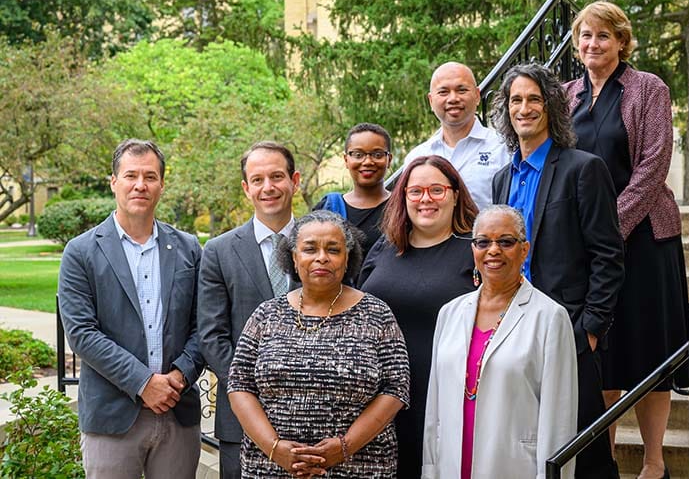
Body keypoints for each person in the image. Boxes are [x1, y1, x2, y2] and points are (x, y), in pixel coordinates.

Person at [565, 0, 689, 479]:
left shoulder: (647, 88)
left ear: (621, 40)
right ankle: (606, 459)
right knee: (601, 354)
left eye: (602, 36)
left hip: (643, 240)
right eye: (585, 36)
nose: (592, 44)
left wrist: (606, 228)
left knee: (647, 349)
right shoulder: (567, 93)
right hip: (587, 246)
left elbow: (653, 165)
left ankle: (654, 462)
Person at [491, 63, 625, 479]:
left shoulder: (583, 169)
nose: (525, 108)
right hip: (509, 327)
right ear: (506, 110)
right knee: (520, 440)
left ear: (551, 106)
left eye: (534, 99)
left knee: (584, 452)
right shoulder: (501, 179)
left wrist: (590, 327)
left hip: (567, 329)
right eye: (516, 100)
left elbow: (609, 254)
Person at [58, 139, 205, 479]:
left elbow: (204, 324)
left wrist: (179, 376)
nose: (141, 185)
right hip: (112, 417)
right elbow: (81, 333)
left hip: (177, 412)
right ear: (114, 182)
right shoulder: (80, 252)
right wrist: (143, 382)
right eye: (131, 175)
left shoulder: (188, 248)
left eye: (150, 176)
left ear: (162, 185)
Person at [227, 210, 410, 478]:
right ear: (294, 256)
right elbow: (239, 385)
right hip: (271, 467)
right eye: (310, 249)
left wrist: (344, 447)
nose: (321, 257)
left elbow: (396, 388)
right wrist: (275, 448)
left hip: (359, 465)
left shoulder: (376, 314)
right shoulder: (266, 314)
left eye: (333, 249)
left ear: (347, 258)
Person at [423, 205, 578, 479]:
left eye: (505, 242)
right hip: (451, 466)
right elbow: (434, 414)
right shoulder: (450, 313)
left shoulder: (550, 317)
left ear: (524, 249)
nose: (493, 250)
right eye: (483, 242)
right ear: (473, 249)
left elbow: (559, 420)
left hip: (514, 467)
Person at [359, 155, 479, 478]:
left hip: (446, 400)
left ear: (455, 195)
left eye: (436, 190)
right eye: (416, 191)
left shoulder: (477, 251)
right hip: (380, 400)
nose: (425, 199)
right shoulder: (384, 248)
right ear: (404, 198)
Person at [198, 141, 301, 478]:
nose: (268, 188)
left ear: (294, 181)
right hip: (241, 417)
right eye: (257, 180)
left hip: (312, 415)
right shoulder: (218, 251)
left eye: (276, 177)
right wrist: (249, 390)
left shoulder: (324, 243)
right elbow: (212, 335)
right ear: (246, 188)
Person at [403, 61, 510, 210]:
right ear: (431, 101)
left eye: (462, 90)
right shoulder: (417, 157)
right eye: (443, 92)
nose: (453, 98)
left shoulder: (503, 148)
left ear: (477, 96)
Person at [314, 123, 392, 255]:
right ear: (346, 159)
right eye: (358, 154)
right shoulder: (329, 208)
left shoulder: (403, 206)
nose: (367, 161)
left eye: (377, 155)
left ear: (389, 159)